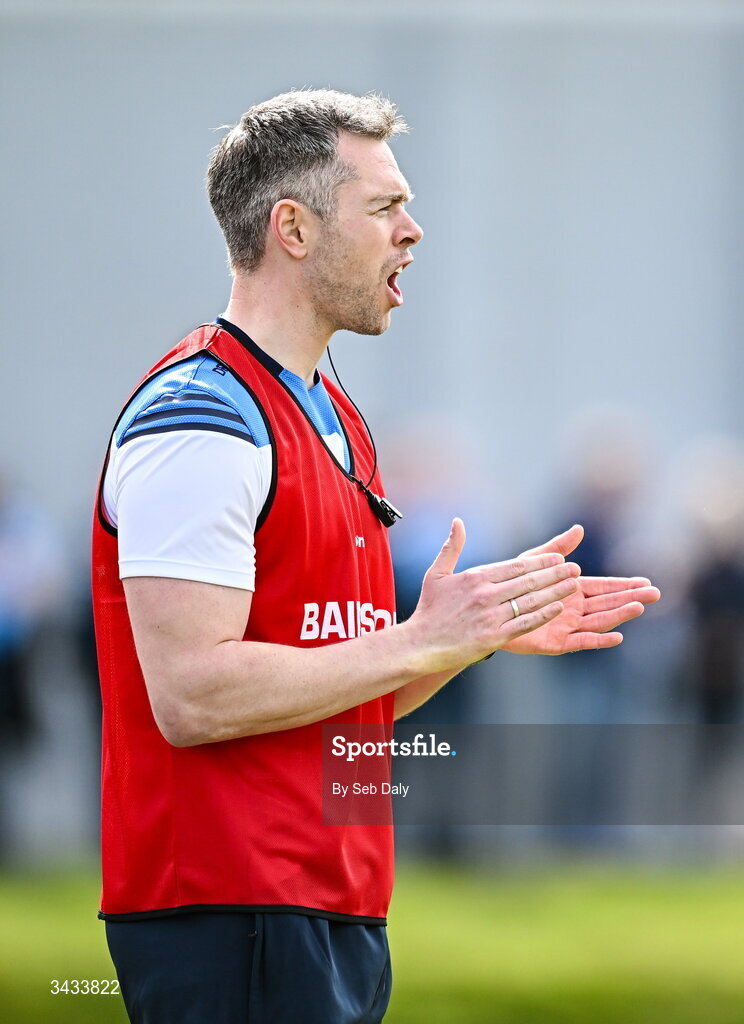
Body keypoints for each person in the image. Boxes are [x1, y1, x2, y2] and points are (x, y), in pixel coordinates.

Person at [91, 89, 660, 1024]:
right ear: (294, 230)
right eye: (386, 207)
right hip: (234, 909)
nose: (415, 231)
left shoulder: (333, 411)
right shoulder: (201, 417)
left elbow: (343, 689)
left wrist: (465, 636)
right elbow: (192, 696)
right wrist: (418, 640)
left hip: (329, 902)